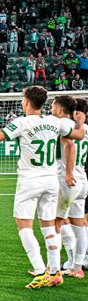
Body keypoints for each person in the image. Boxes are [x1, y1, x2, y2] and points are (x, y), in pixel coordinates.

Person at [0, 86, 85, 289]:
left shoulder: (21, 123)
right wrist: (80, 120)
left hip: (29, 181)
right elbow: (77, 136)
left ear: (26, 101)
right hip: (51, 180)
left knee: (24, 226)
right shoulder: (54, 122)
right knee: (49, 226)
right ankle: (54, 271)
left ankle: (40, 270)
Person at [60, 97, 88, 277]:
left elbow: (70, 146)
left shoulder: (66, 128)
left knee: (60, 221)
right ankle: (80, 262)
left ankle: (71, 261)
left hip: (67, 178)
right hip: (83, 178)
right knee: (80, 222)